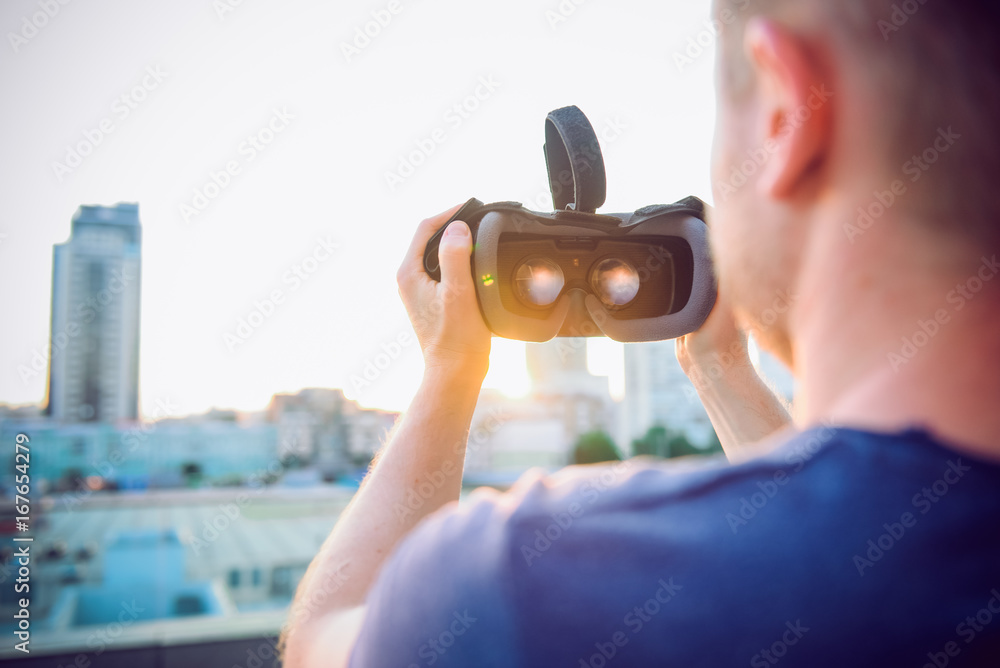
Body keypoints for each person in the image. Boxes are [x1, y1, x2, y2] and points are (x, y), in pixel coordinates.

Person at [281, 0, 1000, 665]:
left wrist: (449, 372)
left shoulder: (529, 582)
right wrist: (722, 371)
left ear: (786, 110)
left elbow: (328, 632)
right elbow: (845, 537)